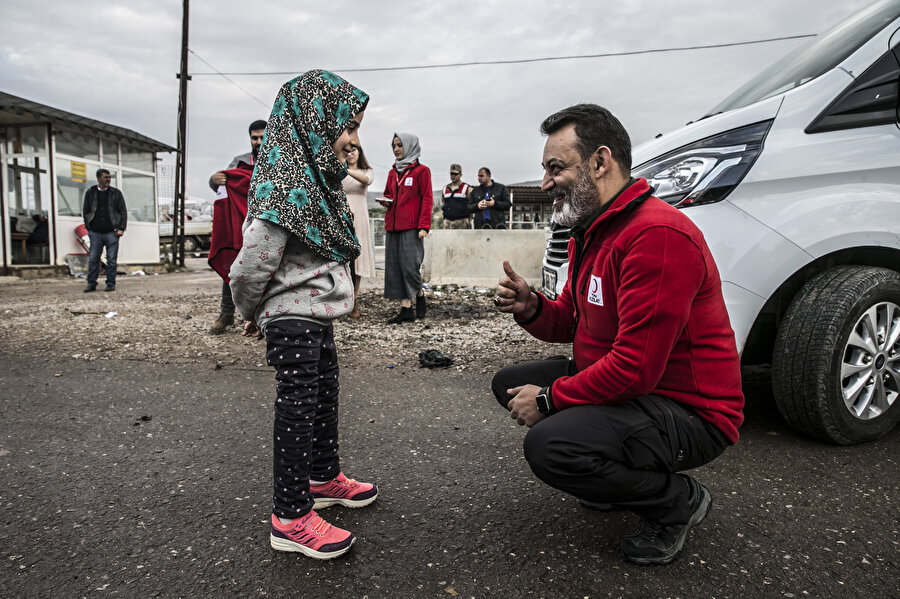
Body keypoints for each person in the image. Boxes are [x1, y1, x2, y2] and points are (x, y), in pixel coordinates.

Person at [492, 104, 744, 566]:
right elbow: (571, 319)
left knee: (549, 445)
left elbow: (634, 370)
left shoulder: (656, 236)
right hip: (637, 392)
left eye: (556, 168)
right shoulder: (593, 231)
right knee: (508, 383)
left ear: (600, 161)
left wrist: (549, 399)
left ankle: (676, 502)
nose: (546, 183)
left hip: (690, 411)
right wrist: (533, 308)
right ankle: (613, 475)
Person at [229, 70, 377, 560]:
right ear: (315, 121)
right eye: (347, 125)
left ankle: (323, 476)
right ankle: (289, 516)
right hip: (291, 317)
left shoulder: (317, 181)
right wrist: (251, 310)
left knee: (323, 394)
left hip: (314, 313)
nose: (354, 140)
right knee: (297, 407)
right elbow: (251, 265)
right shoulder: (283, 186)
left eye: (356, 128)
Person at [207, 119, 267, 334]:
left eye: (262, 137)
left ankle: (265, 318)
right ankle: (226, 313)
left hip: (269, 223)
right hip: (240, 223)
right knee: (235, 266)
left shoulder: (280, 161)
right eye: (254, 138)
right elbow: (221, 182)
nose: (258, 142)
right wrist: (214, 180)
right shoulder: (239, 161)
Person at [378, 133, 433, 324]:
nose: (396, 149)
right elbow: (388, 193)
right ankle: (406, 309)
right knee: (395, 268)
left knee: (410, 268)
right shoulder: (392, 172)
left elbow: (427, 199)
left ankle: (419, 293)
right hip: (392, 227)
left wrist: (424, 226)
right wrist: (385, 201)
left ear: (409, 146)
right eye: (393, 146)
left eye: (400, 145)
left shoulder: (422, 171)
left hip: (412, 228)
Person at [341, 145, 375, 318]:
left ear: (360, 152)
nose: (350, 153)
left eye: (354, 150)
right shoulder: (339, 170)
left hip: (359, 217)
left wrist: (345, 170)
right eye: (347, 150)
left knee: (357, 262)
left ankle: (354, 302)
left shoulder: (367, 170)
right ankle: (341, 302)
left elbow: (366, 180)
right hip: (342, 214)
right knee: (342, 260)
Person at [82, 169, 127, 292]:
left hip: (111, 232)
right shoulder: (91, 192)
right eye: (105, 177)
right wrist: (89, 227)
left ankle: (110, 283)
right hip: (95, 232)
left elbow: (123, 212)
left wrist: (121, 228)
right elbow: (86, 211)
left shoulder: (116, 193)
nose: (108, 179)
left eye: (109, 177)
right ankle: (91, 283)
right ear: (98, 178)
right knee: (93, 259)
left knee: (111, 259)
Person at [441, 163, 472, 229]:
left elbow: (471, 205)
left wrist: (469, 220)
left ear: (460, 175)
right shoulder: (445, 189)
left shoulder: (467, 188)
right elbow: (443, 204)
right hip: (447, 222)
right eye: (451, 174)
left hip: (462, 221)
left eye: (456, 174)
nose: (453, 176)